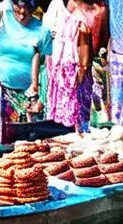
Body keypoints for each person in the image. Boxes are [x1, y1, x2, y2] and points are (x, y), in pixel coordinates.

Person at [0, 0, 45, 143]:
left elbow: (36, 56)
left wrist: (35, 83)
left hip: (25, 91)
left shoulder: (39, 28)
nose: (22, 15)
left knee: (24, 137)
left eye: (28, 11)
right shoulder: (3, 13)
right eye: (18, 10)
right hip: (0, 84)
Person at [45, 0, 107, 131]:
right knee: (63, 128)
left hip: (84, 74)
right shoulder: (61, 6)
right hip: (62, 75)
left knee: (81, 124)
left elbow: (100, 45)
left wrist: (85, 38)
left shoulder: (100, 11)